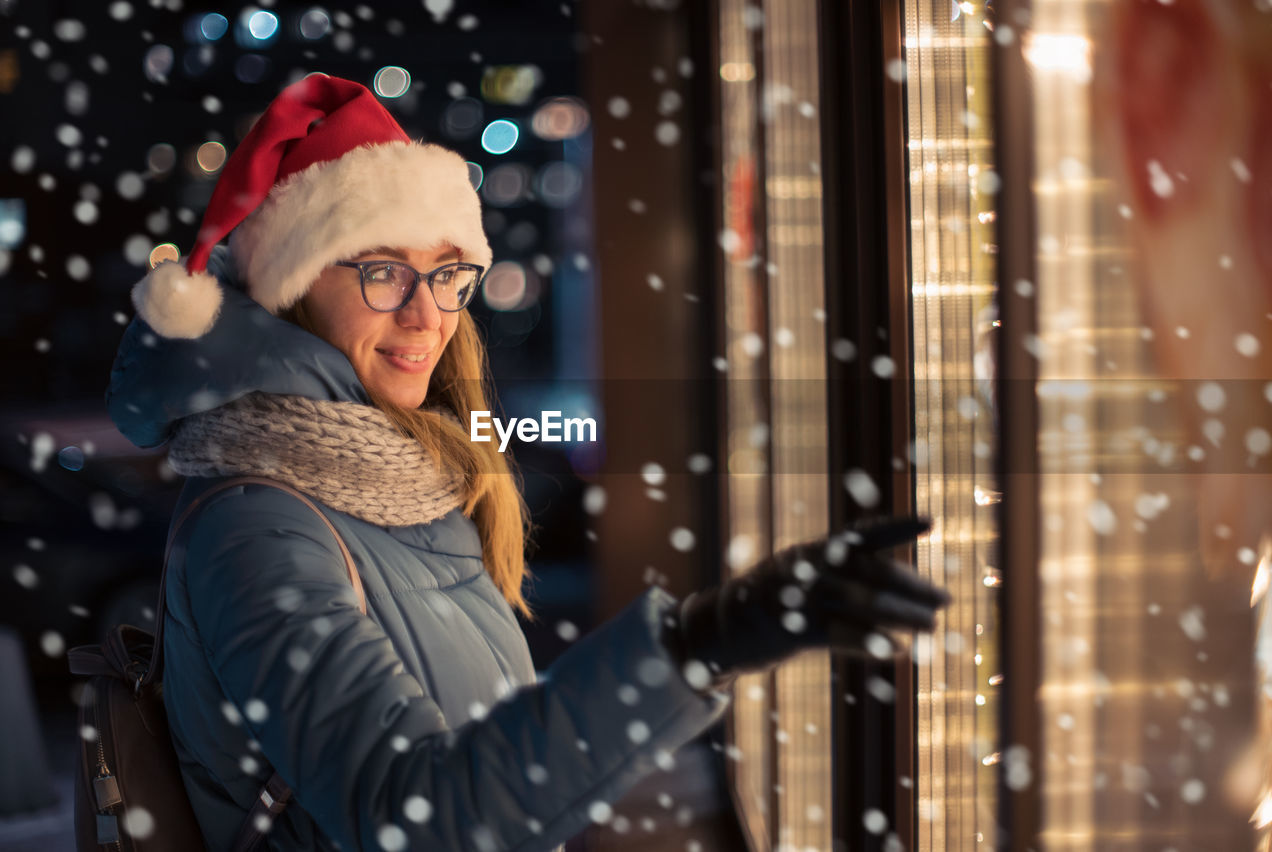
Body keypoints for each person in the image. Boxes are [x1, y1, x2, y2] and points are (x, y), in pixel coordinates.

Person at [106, 73, 950, 852]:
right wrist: (695, 648)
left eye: (448, 274)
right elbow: (414, 816)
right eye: (381, 271)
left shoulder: (404, 482)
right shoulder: (258, 525)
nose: (425, 315)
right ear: (286, 285)